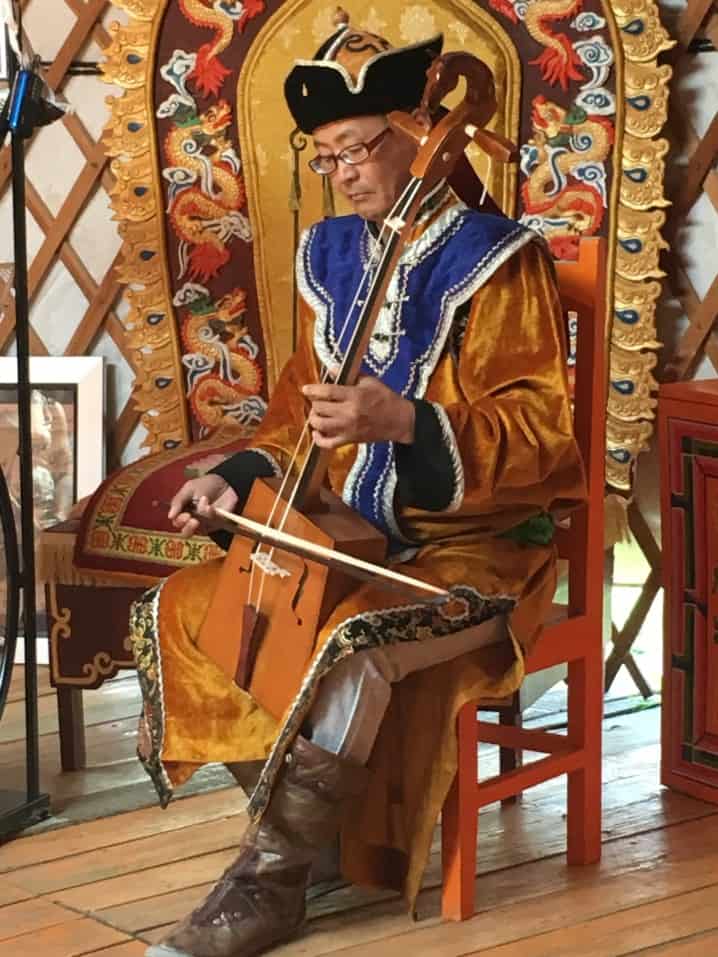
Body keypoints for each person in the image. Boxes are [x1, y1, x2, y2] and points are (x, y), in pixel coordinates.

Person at [133, 12, 586, 957]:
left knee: (350, 641)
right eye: (326, 155)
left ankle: (271, 881)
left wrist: (409, 423)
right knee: (190, 604)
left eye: (357, 148)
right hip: (349, 532)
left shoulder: (504, 260)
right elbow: (299, 415)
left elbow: (545, 439)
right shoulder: (334, 256)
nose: (341, 171)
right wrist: (234, 475)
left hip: (477, 551)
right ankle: (320, 832)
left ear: (420, 136)